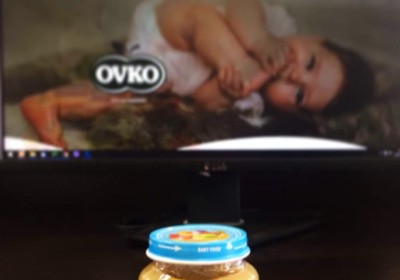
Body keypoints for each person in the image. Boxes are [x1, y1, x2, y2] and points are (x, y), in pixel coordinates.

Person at [20, 0, 375, 148]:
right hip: (174, 25)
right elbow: (239, 5)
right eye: (311, 63)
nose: (296, 75)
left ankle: (50, 102)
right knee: (202, 14)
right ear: (313, 39)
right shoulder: (275, 27)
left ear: (292, 111)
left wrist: (239, 86)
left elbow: (203, 100)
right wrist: (259, 44)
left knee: (124, 90)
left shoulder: (252, 105)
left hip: (163, 68)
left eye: (299, 95)